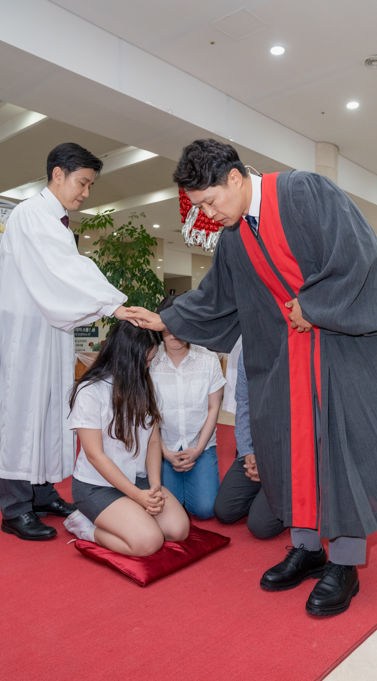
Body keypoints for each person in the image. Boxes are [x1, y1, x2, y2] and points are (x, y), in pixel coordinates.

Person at [127, 139, 377, 617]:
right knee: (290, 451)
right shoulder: (233, 238)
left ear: (234, 178)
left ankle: (346, 565)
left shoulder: (305, 192)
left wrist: (313, 308)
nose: (207, 214)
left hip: (338, 352)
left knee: (340, 451)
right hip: (284, 360)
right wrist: (168, 319)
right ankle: (308, 548)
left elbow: (360, 257)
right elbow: (216, 299)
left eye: (209, 201)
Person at [0, 143, 135, 542]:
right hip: (25, 334)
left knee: (49, 411)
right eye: (83, 182)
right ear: (57, 174)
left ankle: (41, 493)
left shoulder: (53, 218)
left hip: (49, 331)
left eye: (90, 185)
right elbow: (67, 269)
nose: (86, 193)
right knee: (22, 415)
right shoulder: (31, 214)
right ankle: (13, 506)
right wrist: (116, 304)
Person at [65, 321, 190, 553]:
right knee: (149, 542)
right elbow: (95, 455)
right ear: (123, 356)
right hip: (97, 485)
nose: (147, 367)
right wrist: (137, 496)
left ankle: (128, 515)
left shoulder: (145, 384)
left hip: (138, 479)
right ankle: (84, 526)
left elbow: (153, 440)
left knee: (178, 530)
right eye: (144, 361)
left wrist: (154, 487)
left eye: (150, 361)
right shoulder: (90, 391)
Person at [149, 295, 226, 519]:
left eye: (182, 326)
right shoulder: (150, 361)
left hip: (200, 447)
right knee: (164, 510)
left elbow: (213, 409)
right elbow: (148, 414)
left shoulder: (209, 359)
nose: (175, 334)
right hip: (162, 449)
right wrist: (165, 452)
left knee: (205, 510)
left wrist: (198, 450)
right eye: (169, 327)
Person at [214, 349, 285, 539]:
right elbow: (243, 404)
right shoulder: (248, 352)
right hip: (257, 448)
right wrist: (247, 451)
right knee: (224, 511)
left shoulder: (295, 349)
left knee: (260, 526)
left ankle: (305, 494)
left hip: (288, 457)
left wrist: (271, 465)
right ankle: (267, 491)